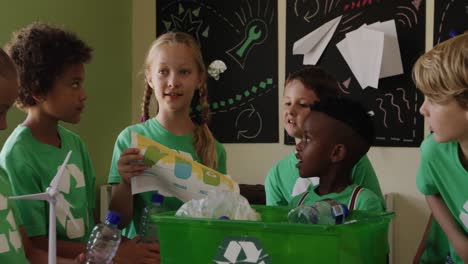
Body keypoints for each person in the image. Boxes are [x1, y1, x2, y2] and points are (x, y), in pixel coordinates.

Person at [107, 31, 226, 261]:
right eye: (163, 72)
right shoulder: (131, 139)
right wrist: (125, 180)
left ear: (199, 78)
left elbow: (217, 221)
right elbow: (118, 221)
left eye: (184, 72)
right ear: (150, 78)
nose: (173, 82)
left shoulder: (215, 150)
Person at [0, 22, 95, 259]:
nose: (83, 94)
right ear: (38, 89)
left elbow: (92, 222)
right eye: (74, 84)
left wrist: (111, 248)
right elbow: (34, 244)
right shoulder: (17, 155)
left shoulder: (76, 145)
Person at [265, 66, 384, 208]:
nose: (290, 111)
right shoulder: (276, 175)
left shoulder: (354, 161)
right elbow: (278, 227)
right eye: (287, 103)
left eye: (302, 104)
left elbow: (376, 217)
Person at [413, 32, 468, 263]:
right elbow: (430, 191)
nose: (422, 109)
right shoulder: (433, 152)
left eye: (433, 99)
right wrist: (458, 241)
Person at [289, 97, 383, 212]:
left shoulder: (364, 203)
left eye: (307, 139)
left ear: (336, 153)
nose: (298, 146)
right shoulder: (297, 203)